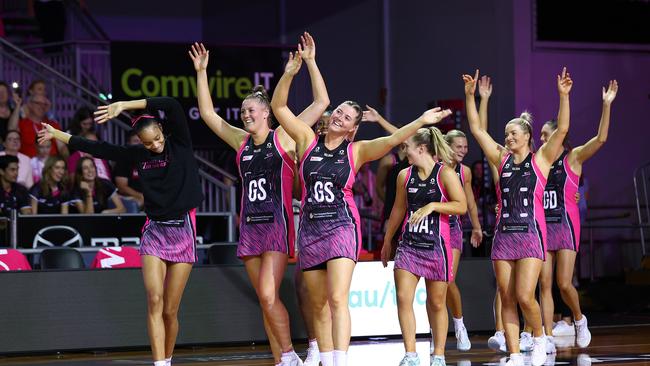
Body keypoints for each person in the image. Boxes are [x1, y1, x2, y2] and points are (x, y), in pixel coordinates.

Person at [271, 48, 451, 366]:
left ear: (353, 128)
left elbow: (395, 141)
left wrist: (421, 121)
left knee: (338, 298)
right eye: (338, 112)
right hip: (310, 228)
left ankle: (340, 360)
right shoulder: (305, 139)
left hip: (341, 227)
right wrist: (294, 71)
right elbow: (279, 107)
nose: (339, 116)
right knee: (318, 304)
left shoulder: (358, 151)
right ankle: (327, 359)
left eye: (347, 117)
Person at [190, 32, 329, 366]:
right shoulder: (240, 141)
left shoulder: (283, 134)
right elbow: (208, 115)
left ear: (267, 113)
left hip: (277, 225)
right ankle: (283, 359)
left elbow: (321, 103)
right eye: (242, 111)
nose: (244, 114)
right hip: (250, 227)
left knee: (268, 294)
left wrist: (308, 64)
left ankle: (291, 356)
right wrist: (201, 72)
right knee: (265, 300)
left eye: (250, 110)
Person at [38, 96, 203, 366]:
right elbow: (97, 147)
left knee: (171, 312)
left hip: (183, 230)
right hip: (154, 232)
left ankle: (169, 359)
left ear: (163, 130)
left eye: (158, 138)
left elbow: (172, 105)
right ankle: (159, 363)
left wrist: (124, 105)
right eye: (149, 143)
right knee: (154, 299)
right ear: (140, 142)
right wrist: (57, 134)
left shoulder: (180, 143)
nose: (156, 145)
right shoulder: (137, 155)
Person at [463, 68, 572, 366]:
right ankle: (513, 354)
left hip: (531, 235)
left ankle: (538, 338)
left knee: (526, 295)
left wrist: (563, 96)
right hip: (503, 236)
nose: (507, 137)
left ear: (527, 136)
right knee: (506, 297)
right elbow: (476, 129)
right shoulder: (502, 159)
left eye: (513, 133)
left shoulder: (541, 160)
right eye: (506, 133)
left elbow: (561, 130)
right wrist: (469, 96)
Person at [538, 80, 618, 350]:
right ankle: (547, 336)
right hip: (543, 228)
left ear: (557, 137)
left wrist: (606, 105)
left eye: (545, 135)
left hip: (566, 227)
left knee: (563, 283)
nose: (541, 140)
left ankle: (579, 318)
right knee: (544, 283)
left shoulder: (573, 158)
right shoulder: (539, 162)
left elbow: (602, 139)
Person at [382, 127, 467, 366]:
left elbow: (461, 206)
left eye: (407, 146)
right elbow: (398, 209)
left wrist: (433, 206)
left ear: (420, 149)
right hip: (409, 246)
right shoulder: (404, 175)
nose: (404, 150)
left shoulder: (445, 174)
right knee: (402, 297)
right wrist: (388, 240)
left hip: (436, 246)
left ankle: (438, 355)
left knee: (437, 302)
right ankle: (410, 354)